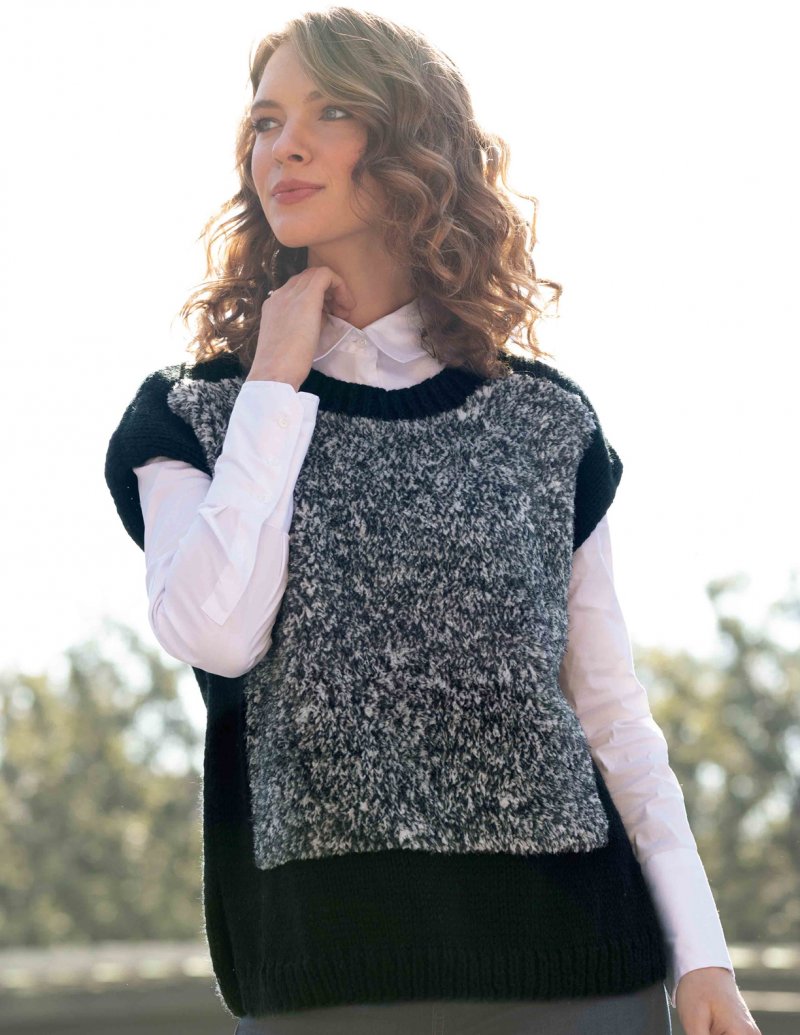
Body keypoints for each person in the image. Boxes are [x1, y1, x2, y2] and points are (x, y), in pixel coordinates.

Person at [104, 7, 761, 1034]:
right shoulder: (194, 413)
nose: (286, 144)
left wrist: (703, 955)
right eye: (267, 121)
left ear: (412, 143)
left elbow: (609, 711)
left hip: (580, 975)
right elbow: (216, 633)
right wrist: (272, 383)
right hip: (325, 986)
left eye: (329, 111)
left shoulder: (544, 421)